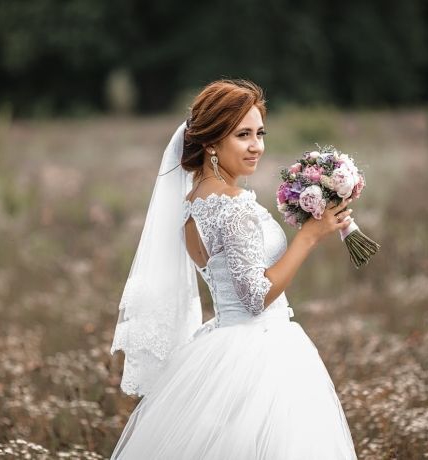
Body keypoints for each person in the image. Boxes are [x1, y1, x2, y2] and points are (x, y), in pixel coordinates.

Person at [110, 79, 358, 459]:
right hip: (261, 352)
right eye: (243, 135)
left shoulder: (193, 205)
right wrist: (309, 237)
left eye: (260, 133)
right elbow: (255, 297)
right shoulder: (232, 205)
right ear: (211, 142)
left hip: (220, 349)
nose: (256, 146)